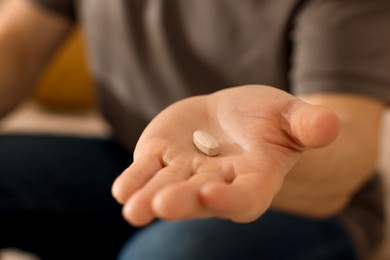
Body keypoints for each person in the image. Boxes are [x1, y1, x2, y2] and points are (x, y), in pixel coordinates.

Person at [0, 0, 389, 259]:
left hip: (291, 203)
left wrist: (277, 153)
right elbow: (18, 43)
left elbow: (348, 138)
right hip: (131, 160)